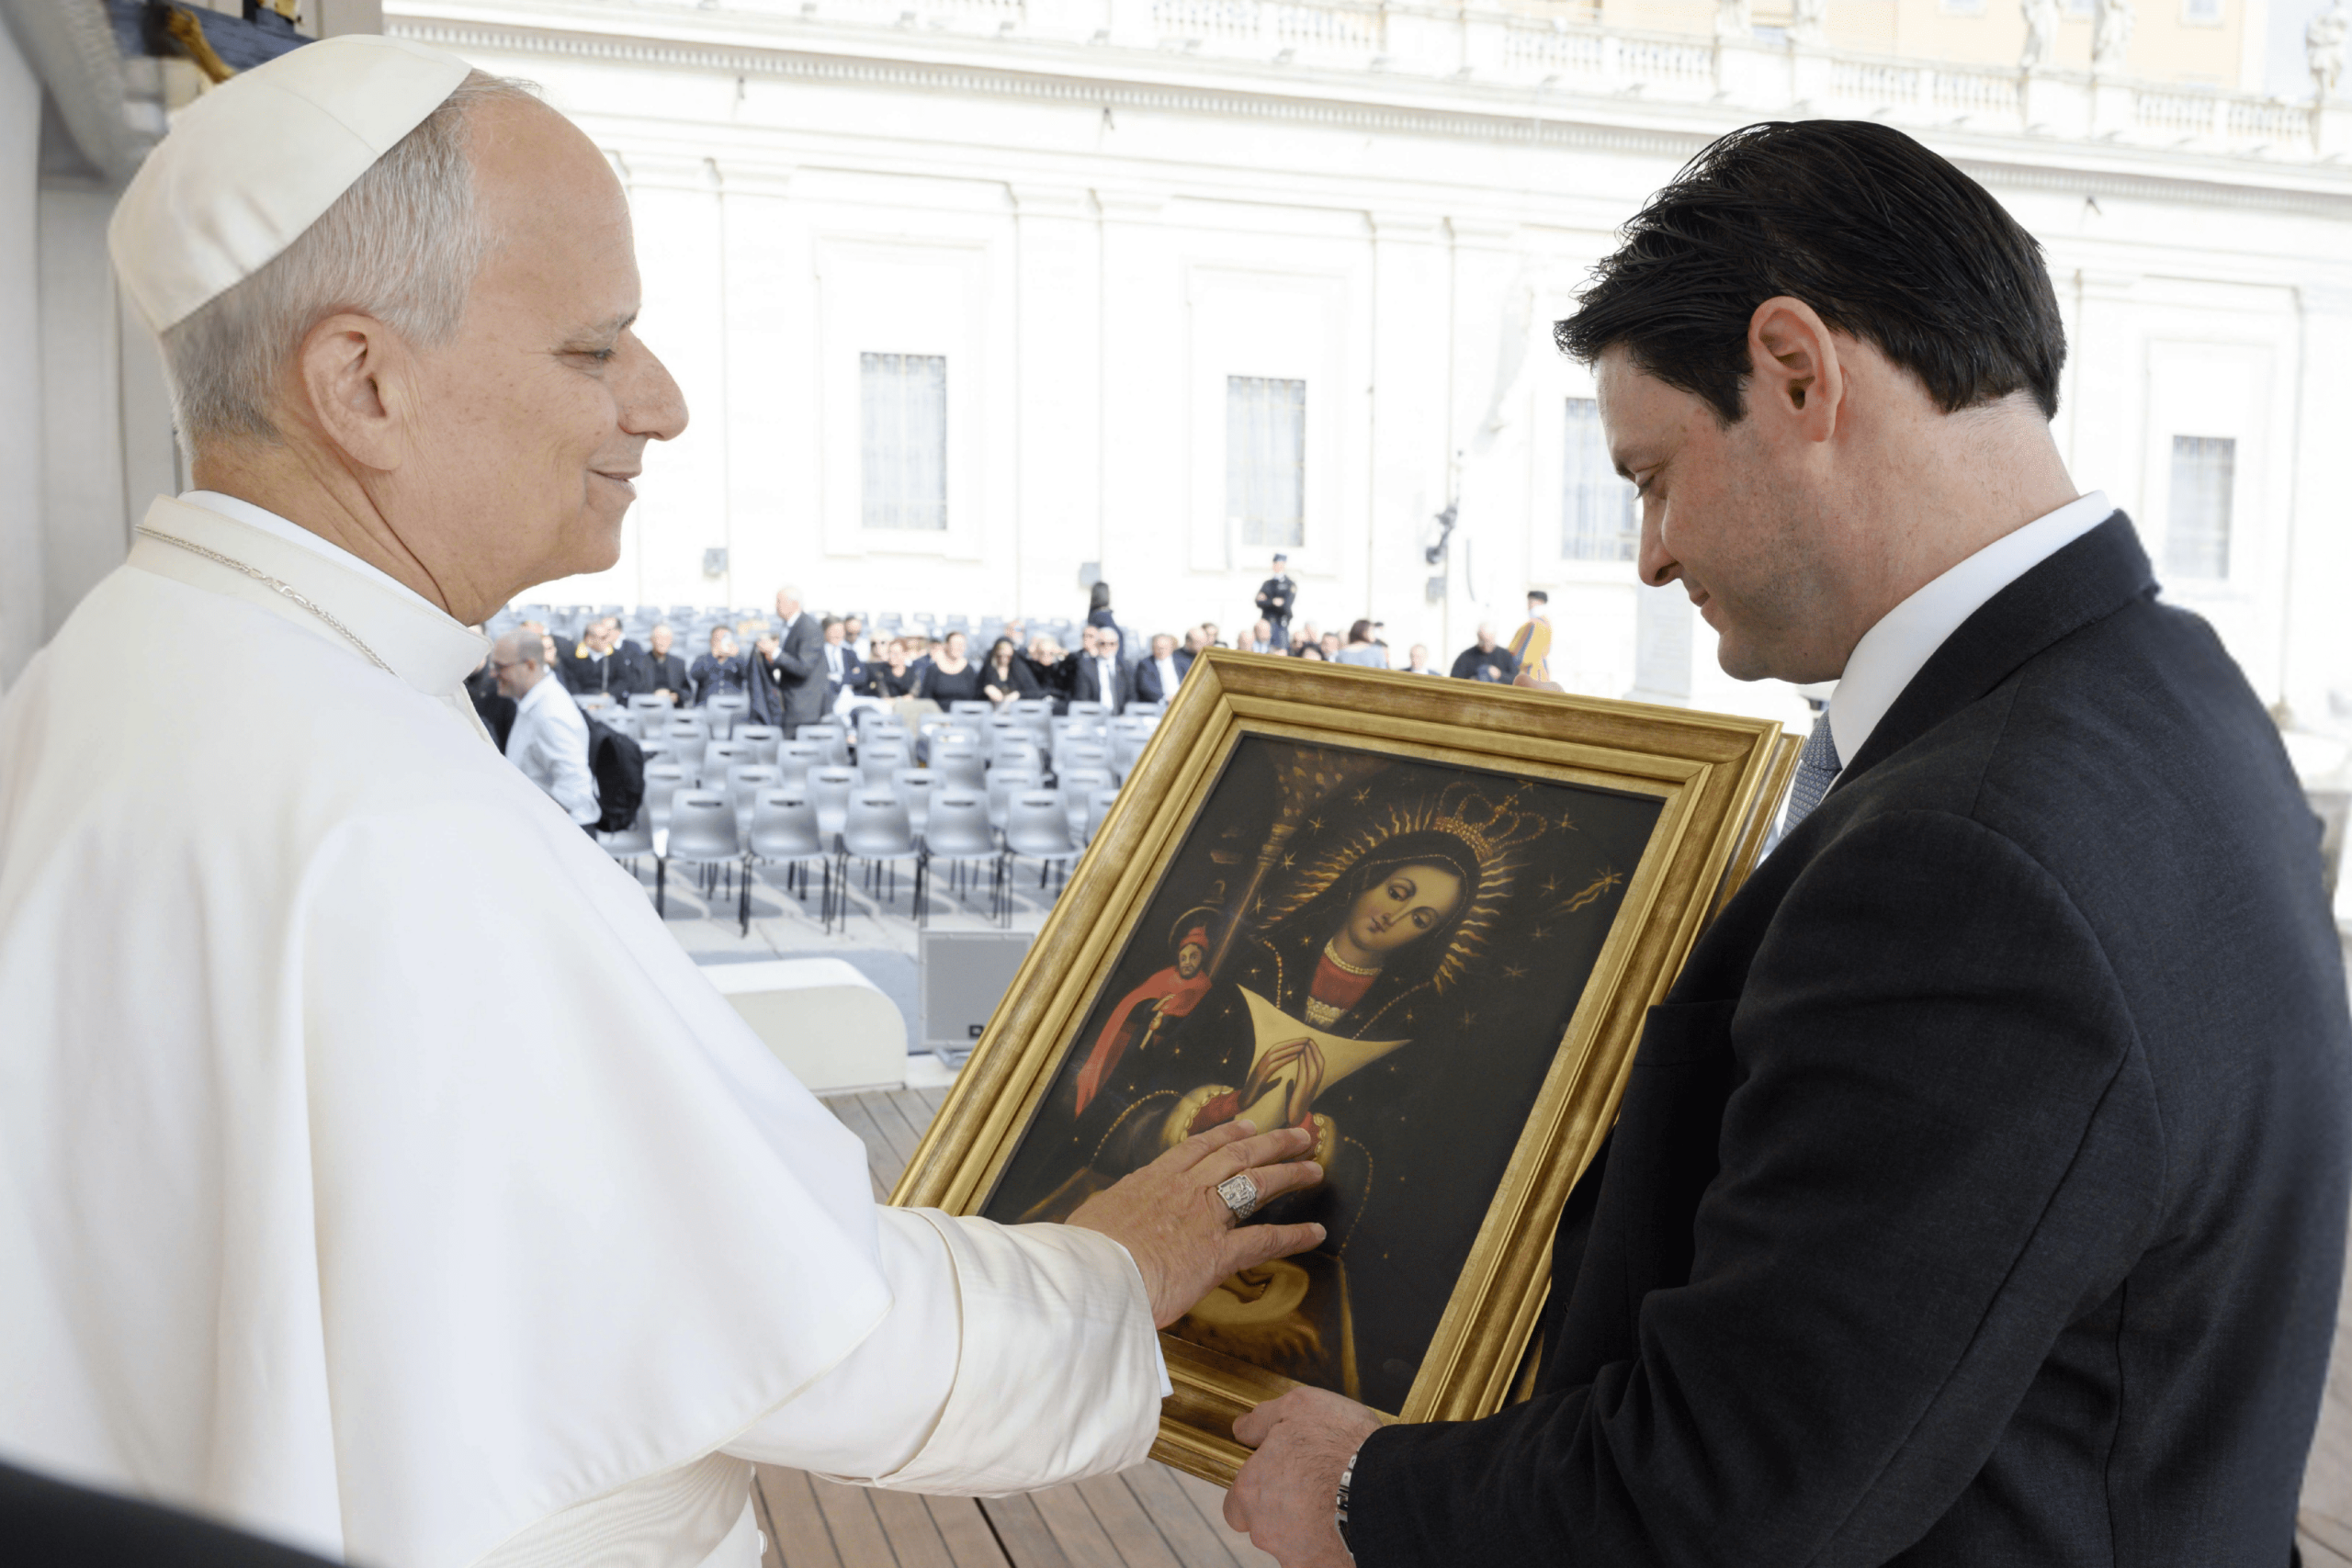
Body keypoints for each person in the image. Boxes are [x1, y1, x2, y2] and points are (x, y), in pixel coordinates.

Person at [0, 41, 1336, 1563]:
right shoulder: (388, 811)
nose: (663, 402)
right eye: (594, 348)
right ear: (363, 382)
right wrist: (1108, 1270)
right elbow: (809, 1327)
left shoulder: (99, 680)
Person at [1225, 118, 2352, 1568]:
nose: (1650, 552)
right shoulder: (2179, 692)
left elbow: (1737, 1493)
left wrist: (1364, 1490)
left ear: (1799, 372)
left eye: (1650, 474)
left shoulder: (1963, 863)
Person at [492, 627, 599, 828]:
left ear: (529, 666)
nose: (493, 673)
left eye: (500, 667)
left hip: (559, 835)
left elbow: (574, 790)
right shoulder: (534, 703)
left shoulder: (550, 714)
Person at [763, 584, 826, 734]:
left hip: (803, 707)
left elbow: (803, 667)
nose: (775, 606)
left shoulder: (808, 628)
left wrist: (775, 653)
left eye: (779, 601)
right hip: (790, 702)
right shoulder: (789, 626)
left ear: (794, 604)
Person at [916, 628, 985, 705]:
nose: (959, 647)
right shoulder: (933, 669)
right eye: (956, 644)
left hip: (963, 714)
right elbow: (926, 698)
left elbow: (974, 698)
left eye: (962, 644)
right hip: (938, 714)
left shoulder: (969, 670)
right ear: (946, 645)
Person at [1074, 627, 1132, 712]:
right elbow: (1083, 698)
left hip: (1120, 717)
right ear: (1096, 644)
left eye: (1112, 643)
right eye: (1102, 643)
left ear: (1117, 645)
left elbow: (1131, 696)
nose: (1107, 647)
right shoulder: (1085, 667)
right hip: (1095, 715)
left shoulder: (1126, 666)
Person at [688, 625, 743, 706]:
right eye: (718, 640)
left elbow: (747, 675)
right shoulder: (703, 659)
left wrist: (736, 656)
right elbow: (694, 675)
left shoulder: (738, 659)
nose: (721, 643)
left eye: (724, 639)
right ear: (711, 641)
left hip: (732, 705)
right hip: (706, 705)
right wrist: (713, 658)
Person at [1507, 589, 1553, 686]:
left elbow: (1522, 656)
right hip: (1540, 675)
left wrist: (1506, 663)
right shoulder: (1546, 624)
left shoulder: (1535, 625)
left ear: (1540, 603)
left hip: (1530, 675)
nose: (1528, 606)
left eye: (1531, 602)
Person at [818, 615, 865, 710]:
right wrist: (848, 679)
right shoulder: (818, 654)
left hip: (849, 699)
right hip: (825, 700)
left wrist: (839, 678)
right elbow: (819, 678)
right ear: (824, 631)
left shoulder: (849, 653)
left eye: (841, 631)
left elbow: (862, 676)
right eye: (834, 631)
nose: (838, 634)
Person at [1448, 624, 1519, 683]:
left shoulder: (1505, 656)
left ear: (1494, 637)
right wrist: (1470, 682)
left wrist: (1499, 675)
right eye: (1483, 640)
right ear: (1478, 637)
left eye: (1488, 641)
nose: (1485, 644)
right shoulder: (1466, 657)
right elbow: (1454, 679)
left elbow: (1516, 680)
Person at [1255, 552, 1296, 650]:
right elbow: (1259, 602)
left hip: (1280, 624)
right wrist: (1273, 602)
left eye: (1280, 564)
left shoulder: (1290, 584)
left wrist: (1267, 601)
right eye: (1276, 564)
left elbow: (1286, 605)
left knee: (1280, 652)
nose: (1278, 566)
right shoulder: (1267, 584)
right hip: (1267, 623)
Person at [640, 623, 687, 705]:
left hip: (673, 709)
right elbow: (634, 691)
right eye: (659, 638)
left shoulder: (678, 663)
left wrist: (676, 696)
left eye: (666, 638)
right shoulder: (640, 663)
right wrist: (654, 696)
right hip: (647, 708)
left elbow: (687, 691)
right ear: (652, 640)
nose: (663, 642)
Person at [980, 636, 1031, 706]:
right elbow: (975, 693)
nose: (1004, 659)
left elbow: (1034, 692)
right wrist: (986, 689)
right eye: (1000, 656)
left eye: (1008, 656)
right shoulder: (988, 669)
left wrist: (1018, 694)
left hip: (1016, 711)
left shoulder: (1019, 669)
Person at [1137, 633, 1186, 705]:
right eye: (1158, 648)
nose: (1161, 651)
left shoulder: (1182, 662)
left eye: (1164, 648)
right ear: (1153, 648)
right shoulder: (1145, 664)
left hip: (1182, 701)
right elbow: (1145, 687)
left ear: (1171, 648)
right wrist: (1165, 699)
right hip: (1160, 704)